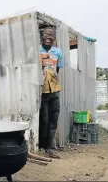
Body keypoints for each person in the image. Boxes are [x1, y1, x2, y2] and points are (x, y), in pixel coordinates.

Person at [38, 26, 63, 159]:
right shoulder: (37, 50)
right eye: (46, 34)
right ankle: (42, 146)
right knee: (44, 119)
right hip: (42, 91)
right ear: (42, 36)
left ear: (54, 38)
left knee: (53, 119)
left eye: (51, 35)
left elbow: (57, 70)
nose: (49, 37)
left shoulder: (58, 52)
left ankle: (50, 148)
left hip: (55, 89)